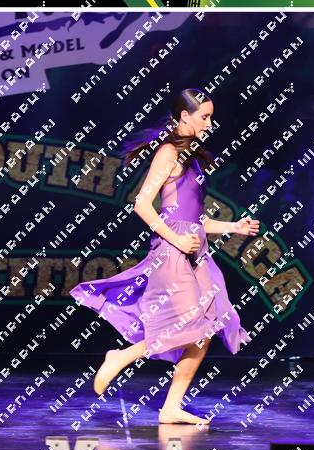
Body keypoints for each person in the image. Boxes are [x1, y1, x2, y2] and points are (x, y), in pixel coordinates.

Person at [70, 88, 260, 425]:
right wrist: (177, 240)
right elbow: (142, 204)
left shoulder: (192, 157)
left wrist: (234, 227)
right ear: (185, 116)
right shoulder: (168, 153)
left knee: (206, 327)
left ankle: (171, 407)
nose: (209, 123)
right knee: (188, 323)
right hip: (172, 251)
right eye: (204, 117)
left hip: (195, 250)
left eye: (211, 117)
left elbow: (195, 220)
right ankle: (120, 357)